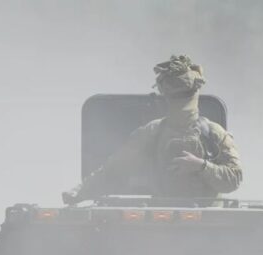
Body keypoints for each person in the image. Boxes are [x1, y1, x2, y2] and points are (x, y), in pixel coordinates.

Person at [63, 55, 242, 204]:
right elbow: (115, 169)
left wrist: (201, 166)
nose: (180, 102)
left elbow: (234, 179)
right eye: (175, 96)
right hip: (164, 217)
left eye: (184, 95)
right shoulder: (152, 132)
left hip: (207, 218)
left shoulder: (213, 133)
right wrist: (80, 191)